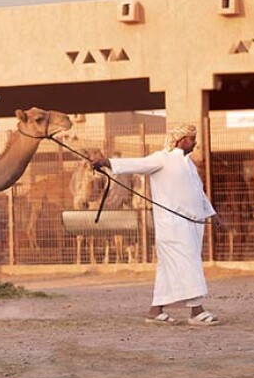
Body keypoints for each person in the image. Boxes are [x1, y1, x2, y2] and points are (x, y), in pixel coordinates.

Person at [93, 122, 222, 325]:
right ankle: (197, 311)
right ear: (180, 140)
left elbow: (198, 192)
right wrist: (107, 162)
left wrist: (211, 214)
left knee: (168, 269)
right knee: (189, 264)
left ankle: (155, 312)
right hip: (172, 225)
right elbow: (136, 164)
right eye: (191, 138)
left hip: (192, 225)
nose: (195, 142)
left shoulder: (189, 164)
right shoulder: (161, 158)